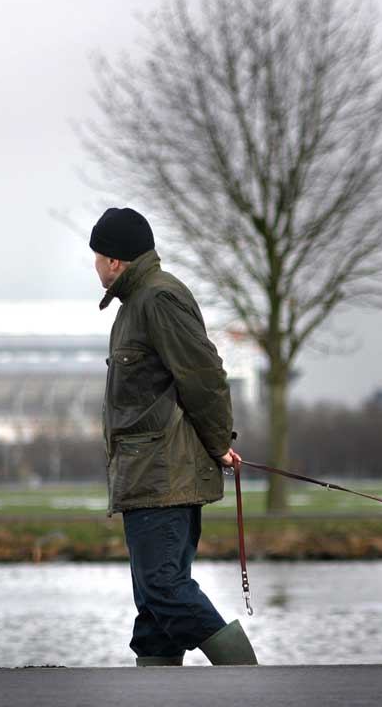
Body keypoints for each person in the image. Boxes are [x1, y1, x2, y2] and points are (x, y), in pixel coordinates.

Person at [90, 206, 258, 667]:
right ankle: (153, 689)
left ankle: (247, 678)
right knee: (154, 598)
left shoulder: (157, 300)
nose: (95, 266)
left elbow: (204, 376)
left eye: (98, 257)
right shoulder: (135, 304)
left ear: (116, 261)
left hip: (162, 475)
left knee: (163, 587)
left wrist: (218, 440)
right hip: (149, 473)